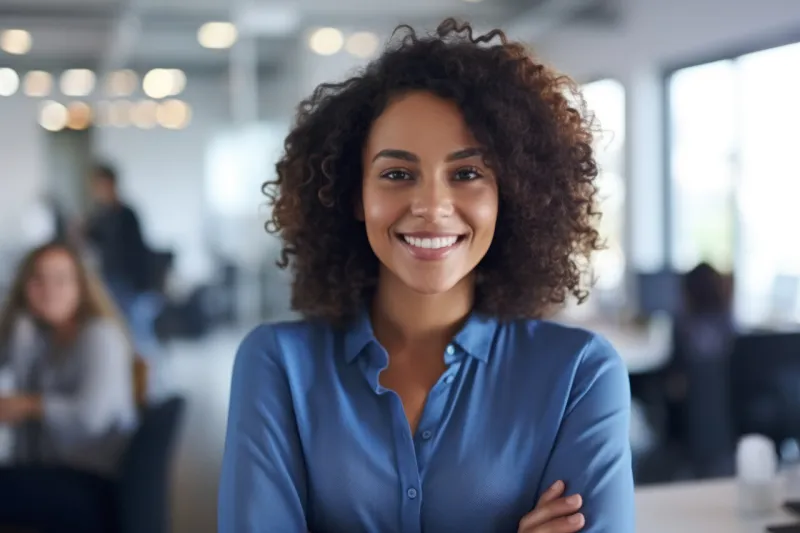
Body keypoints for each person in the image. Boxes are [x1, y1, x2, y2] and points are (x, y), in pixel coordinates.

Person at [219, 19, 634, 533]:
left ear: (511, 194)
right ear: (355, 194)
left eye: (467, 174)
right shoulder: (277, 366)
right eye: (397, 174)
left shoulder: (579, 376)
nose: (433, 207)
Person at [0, 242, 138, 532]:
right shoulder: (46, 338)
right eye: (38, 279)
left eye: (61, 279)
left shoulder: (100, 336)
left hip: (93, 484)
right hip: (55, 473)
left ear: (81, 286)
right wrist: (20, 335)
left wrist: (29, 404)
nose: (49, 289)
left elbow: (90, 419)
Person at [666, 262, 735, 479]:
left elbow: (673, 381)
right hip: (725, 428)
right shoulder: (728, 323)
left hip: (693, 426)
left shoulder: (682, 325)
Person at [83, 163, 159, 357]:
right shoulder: (101, 215)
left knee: (138, 337)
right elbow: (92, 238)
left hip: (130, 285)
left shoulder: (126, 215)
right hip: (110, 282)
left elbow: (138, 253)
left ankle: (145, 382)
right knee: (116, 334)